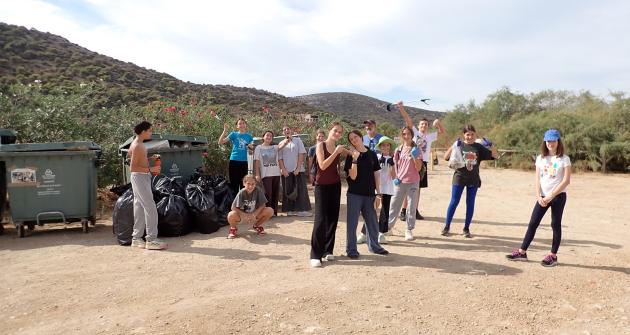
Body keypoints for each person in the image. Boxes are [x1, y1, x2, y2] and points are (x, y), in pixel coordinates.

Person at [506, 129, 571, 267]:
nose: (550, 143)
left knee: (555, 224)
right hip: (542, 196)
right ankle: (522, 252)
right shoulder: (540, 158)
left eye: (553, 140)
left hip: (558, 196)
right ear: (545, 141)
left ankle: (553, 255)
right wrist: (538, 196)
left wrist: (551, 196)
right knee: (533, 223)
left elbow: (566, 181)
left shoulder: (564, 159)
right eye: (548, 140)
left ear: (558, 141)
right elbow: (537, 179)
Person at [442, 125, 498, 238]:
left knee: (470, 203)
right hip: (459, 178)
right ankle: (446, 226)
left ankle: (466, 228)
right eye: (467, 134)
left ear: (475, 135)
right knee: (454, 202)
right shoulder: (459, 145)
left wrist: (491, 146)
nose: (470, 137)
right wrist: (453, 145)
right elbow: (445, 157)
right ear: (464, 135)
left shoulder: (478, 147)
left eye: (472, 134)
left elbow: (496, 156)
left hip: (473, 179)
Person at [344, 130, 389, 259]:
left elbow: (376, 174)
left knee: (372, 222)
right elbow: (353, 176)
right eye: (351, 139)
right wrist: (355, 159)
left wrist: (378, 194)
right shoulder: (350, 156)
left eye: (355, 137)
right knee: (352, 224)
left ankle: (375, 247)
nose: (354, 140)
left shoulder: (372, 155)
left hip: (370, 194)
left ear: (361, 137)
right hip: (354, 194)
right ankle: (351, 250)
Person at [397, 101, 445, 221]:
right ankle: (403, 211)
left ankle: (414, 210)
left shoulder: (430, 137)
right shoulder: (415, 134)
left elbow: (442, 132)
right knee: (406, 186)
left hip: (423, 163)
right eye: (422, 124)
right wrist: (401, 108)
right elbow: (408, 120)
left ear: (428, 127)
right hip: (411, 162)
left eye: (426, 124)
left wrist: (438, 123)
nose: (424, 126)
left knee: (418, 188)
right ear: (418, 126)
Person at [310, 122, 349, 268]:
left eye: (340, 132)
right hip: (321, 186)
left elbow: (353, 153)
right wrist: (336, 152)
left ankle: (327, 250)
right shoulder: (321, 145)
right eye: (335, 131)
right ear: (329, 130)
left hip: (335, 185)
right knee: (320, 219)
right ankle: (315, 255)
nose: (337, 134)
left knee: (333, 218)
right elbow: (323, 165)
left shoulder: (338, 148)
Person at [128, 121, 167, 250]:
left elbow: (131, 156)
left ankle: (136, 238)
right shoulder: (139, 146)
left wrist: (148, 159)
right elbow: (133, 167)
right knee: (150, 207)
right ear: (143, 131)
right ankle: (151, 239)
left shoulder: (135, 144)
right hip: (140, 177)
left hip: (139, 177)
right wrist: (152, 169)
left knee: (139, 206)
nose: (151, 133)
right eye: (149, 130)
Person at [357, 136, 396, 245]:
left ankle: (381, 234)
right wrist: (379, 162)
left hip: (387, 188)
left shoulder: (392, 159)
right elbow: (371, 170)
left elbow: (394, 176)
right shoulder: (376, 156)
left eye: (387, 145)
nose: (385, 147)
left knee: (385, 210)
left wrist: (391, 165)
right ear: (380, 147)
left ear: (390, 147)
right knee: (370, 209)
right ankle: (364, 233)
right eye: (383, 145)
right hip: (375, 187)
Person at [387, 126, 424, 241]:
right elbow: (393, 166)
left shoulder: (417, 149)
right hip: (400, 182)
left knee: (411, 207)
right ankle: (388, 227)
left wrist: (415, 156)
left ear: (412, 135)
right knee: (394, 205)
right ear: (401, 135)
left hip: (413, 182)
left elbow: (418, 168)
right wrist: (395, 178)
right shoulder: (398, 149)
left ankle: (408, 230)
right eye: (404, 134)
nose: (406, 136)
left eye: (408, 134)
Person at [278, 125, 312, 216]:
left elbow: (301, 154)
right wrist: (283, 169)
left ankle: (302, 210)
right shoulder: (281, 143)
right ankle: (290, 210)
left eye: (288, 129)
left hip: (298, 170)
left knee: (301, 190)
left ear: (291, 130)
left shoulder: (298, 141)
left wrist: (298, 168)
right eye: (284, 129)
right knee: (288, 190)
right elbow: (280, 158)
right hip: (286, 171)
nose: (286, 130)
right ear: (283, 133)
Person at [226, 174, 274, 239]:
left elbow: (263, 205)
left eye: (253, 184)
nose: (250, 186)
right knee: (231, 215)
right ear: (244, 183)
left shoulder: (258, 190)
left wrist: (254, 214)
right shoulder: (241, 192)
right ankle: (233, 228)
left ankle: (257, 226)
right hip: (243, 216)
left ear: (255, 184)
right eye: (248, 184)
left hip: (254, 215)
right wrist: (245, 215)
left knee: (270, 210)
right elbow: (233, 207)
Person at [253, 130, 288, 216]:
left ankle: (274, 212)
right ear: (263, 137)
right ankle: (267, 212)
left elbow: (282, 145)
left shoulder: (275, 147)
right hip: (266, 175)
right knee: (268, 194)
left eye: (270, 136)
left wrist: (287, 137)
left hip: (276, 174)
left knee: (275, 193)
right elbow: (256, 162)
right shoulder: (259, 148)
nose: (269, 137)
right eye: (267, 135)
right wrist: (257, 174)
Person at [218, 118, 254, 195]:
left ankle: (242, 203)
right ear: (237, 126)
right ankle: (234, 204)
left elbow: (251, 152)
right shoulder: (233, 134)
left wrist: (250, 149)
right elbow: (220, 142)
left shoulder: (249, 136)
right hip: (234, 161)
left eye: (243, 123)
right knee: (234, 183)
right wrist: (224, 130)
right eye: (240, 124)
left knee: (243, 183)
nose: (242, 125)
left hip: (244, 162)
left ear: (246, 125)